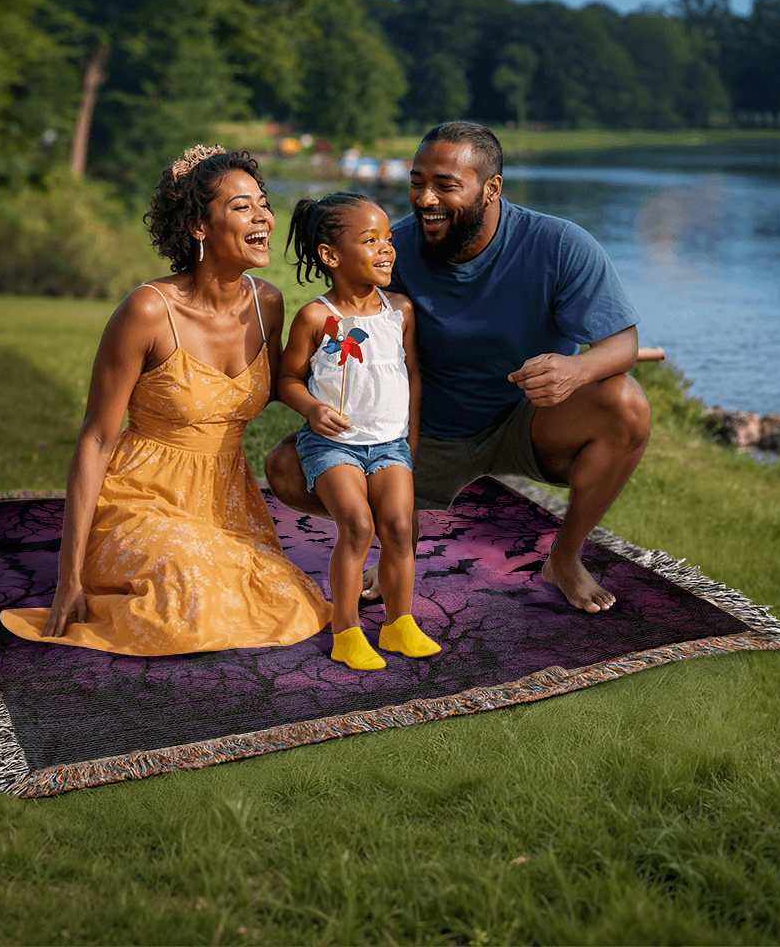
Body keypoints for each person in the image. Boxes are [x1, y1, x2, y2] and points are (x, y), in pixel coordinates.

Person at [266, 122, 651, 615]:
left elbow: (622, 343)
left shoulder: (559, 245)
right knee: (288, 470)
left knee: (624, 403)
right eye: (417, 181)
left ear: (491, 189)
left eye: (445, 185)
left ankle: (566, 557)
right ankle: (396, 537)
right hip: (423, 432)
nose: (425, 199)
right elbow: (341, 333)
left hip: (528, 422)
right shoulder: (392, 251)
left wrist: (577, 370)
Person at [1, 146, 332, 654]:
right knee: (188, 591)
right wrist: (68, 578)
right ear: (199, 226)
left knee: (289, 600)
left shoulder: (268, 304)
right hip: (139, 498)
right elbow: (96, 438)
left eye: (263, 202)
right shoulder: (148, 310)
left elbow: (276, 388)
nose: (263, 215)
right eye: (242, 206)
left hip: (227, 497)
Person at [279, 193, 438, 671]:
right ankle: (346, 630)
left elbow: (411, 376)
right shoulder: (316, 317)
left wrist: (409, 440)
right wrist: (311, 408)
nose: (387, 249)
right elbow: (287, 380)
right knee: (358, 526)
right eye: (371, 240)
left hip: (389, 443)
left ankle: (398, 624)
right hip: (333, 445)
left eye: (388, 239)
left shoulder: (401, 312)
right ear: (331, 256)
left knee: (399, 528)